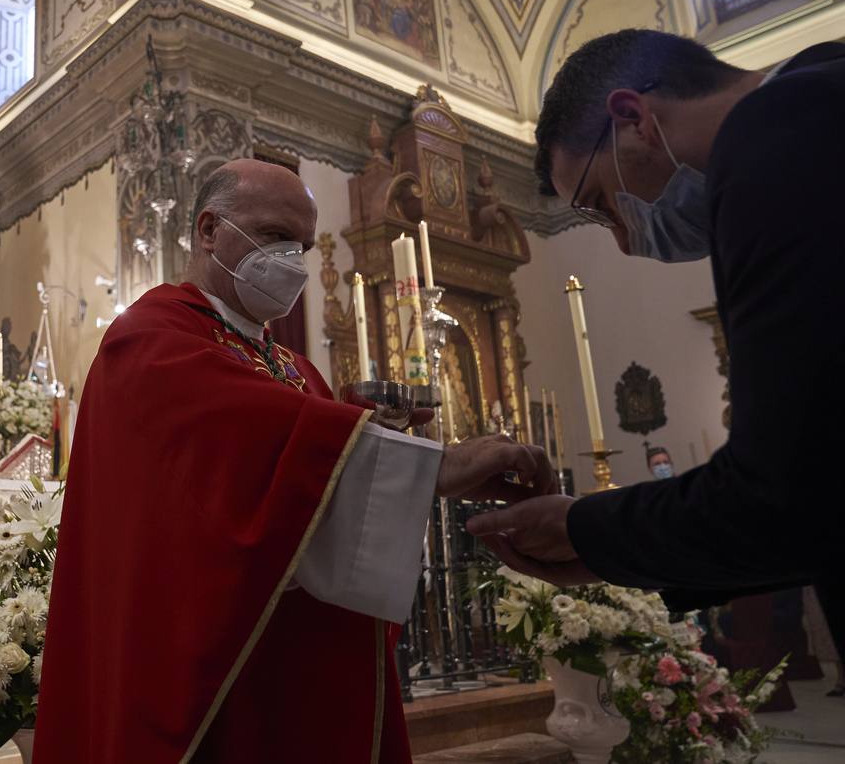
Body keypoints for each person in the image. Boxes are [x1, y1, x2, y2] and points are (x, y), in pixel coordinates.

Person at [36, 159, 557, 763]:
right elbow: (241, 447)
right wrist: (431, 465)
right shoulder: (150, 340)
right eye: (275, 236)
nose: (292, 261)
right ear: (210, 230)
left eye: (303, 245)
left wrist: (407, 463)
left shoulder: (296, 368)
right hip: (209, 668)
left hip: (301, 661)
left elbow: (316, 487)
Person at [466, 29, 845, 675]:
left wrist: (583, 531)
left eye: (598, 206)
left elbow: (798, 490)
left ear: (633, 119)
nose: (621, 240)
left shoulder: (782, 129)